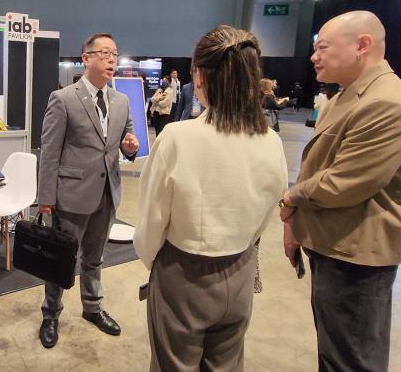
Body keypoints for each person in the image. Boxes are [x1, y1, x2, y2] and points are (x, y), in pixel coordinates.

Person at [280, 11, 401, 372]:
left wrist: (292, 197)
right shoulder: (351, 95)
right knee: (336, 352)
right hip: (336, 245)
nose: (314, 57)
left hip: (357, 256)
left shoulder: (386, 103)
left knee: (350, 359)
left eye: (323, 48)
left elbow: (346, 182)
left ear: (362, 45)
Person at [135, 25, 287, 371]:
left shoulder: (177, 137)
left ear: (200, 75)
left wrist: (156, 264)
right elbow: (267, 213)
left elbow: (151, 220)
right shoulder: (271, 141)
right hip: (241, 269)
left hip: (183, 273)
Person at [37, 33, 140, 348]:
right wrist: (46, 198)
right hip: (71, 195)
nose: (112, 59)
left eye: (115, 54)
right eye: (105, 53)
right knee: (61, 260)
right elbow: (50, 152)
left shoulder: (121, 101)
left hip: (107, 193)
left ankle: (92, 308)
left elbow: (128, 139)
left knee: (95, 258)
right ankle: (50, 314)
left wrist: (131, 147)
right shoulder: (63, 98)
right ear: (86, 58)